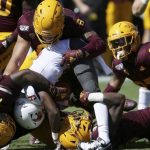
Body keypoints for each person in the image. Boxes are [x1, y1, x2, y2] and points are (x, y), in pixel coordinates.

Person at [0, 69, 67, 148]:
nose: (9, 121)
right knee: (61, 142)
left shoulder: (3, 96)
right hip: (24, 124)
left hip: (21, 100)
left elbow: (26, 75)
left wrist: (53, 90)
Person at [104, 21, 150, 109]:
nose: (119, 47)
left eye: (122, 41)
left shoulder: (145, 54)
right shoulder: (118, 64)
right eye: (115, 43)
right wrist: (100, 104)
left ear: (135, 39)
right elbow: (112, 88)